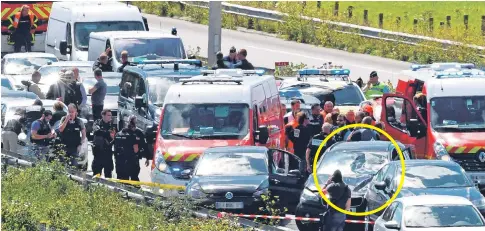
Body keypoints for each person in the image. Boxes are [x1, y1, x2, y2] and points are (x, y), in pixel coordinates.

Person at [114, 116, 150, 181]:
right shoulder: (123, 133)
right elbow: (116, 147)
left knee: (133, 178)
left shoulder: (138, 133)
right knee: (127, 179)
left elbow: (144, 145)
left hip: (131, 160)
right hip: (126, 161)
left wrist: (147, 157)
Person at [92, 109, 116, 178]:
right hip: (98, 153)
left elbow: (114, 137)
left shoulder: (112, 125)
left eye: (111, 115)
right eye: (108, 115)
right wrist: (108, 133)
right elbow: (97, 132)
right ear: (103, 115)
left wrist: (105, 133)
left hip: (107, 153)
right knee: (96, 175)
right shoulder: (97, 122)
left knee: (108, 176)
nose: (110, 117)